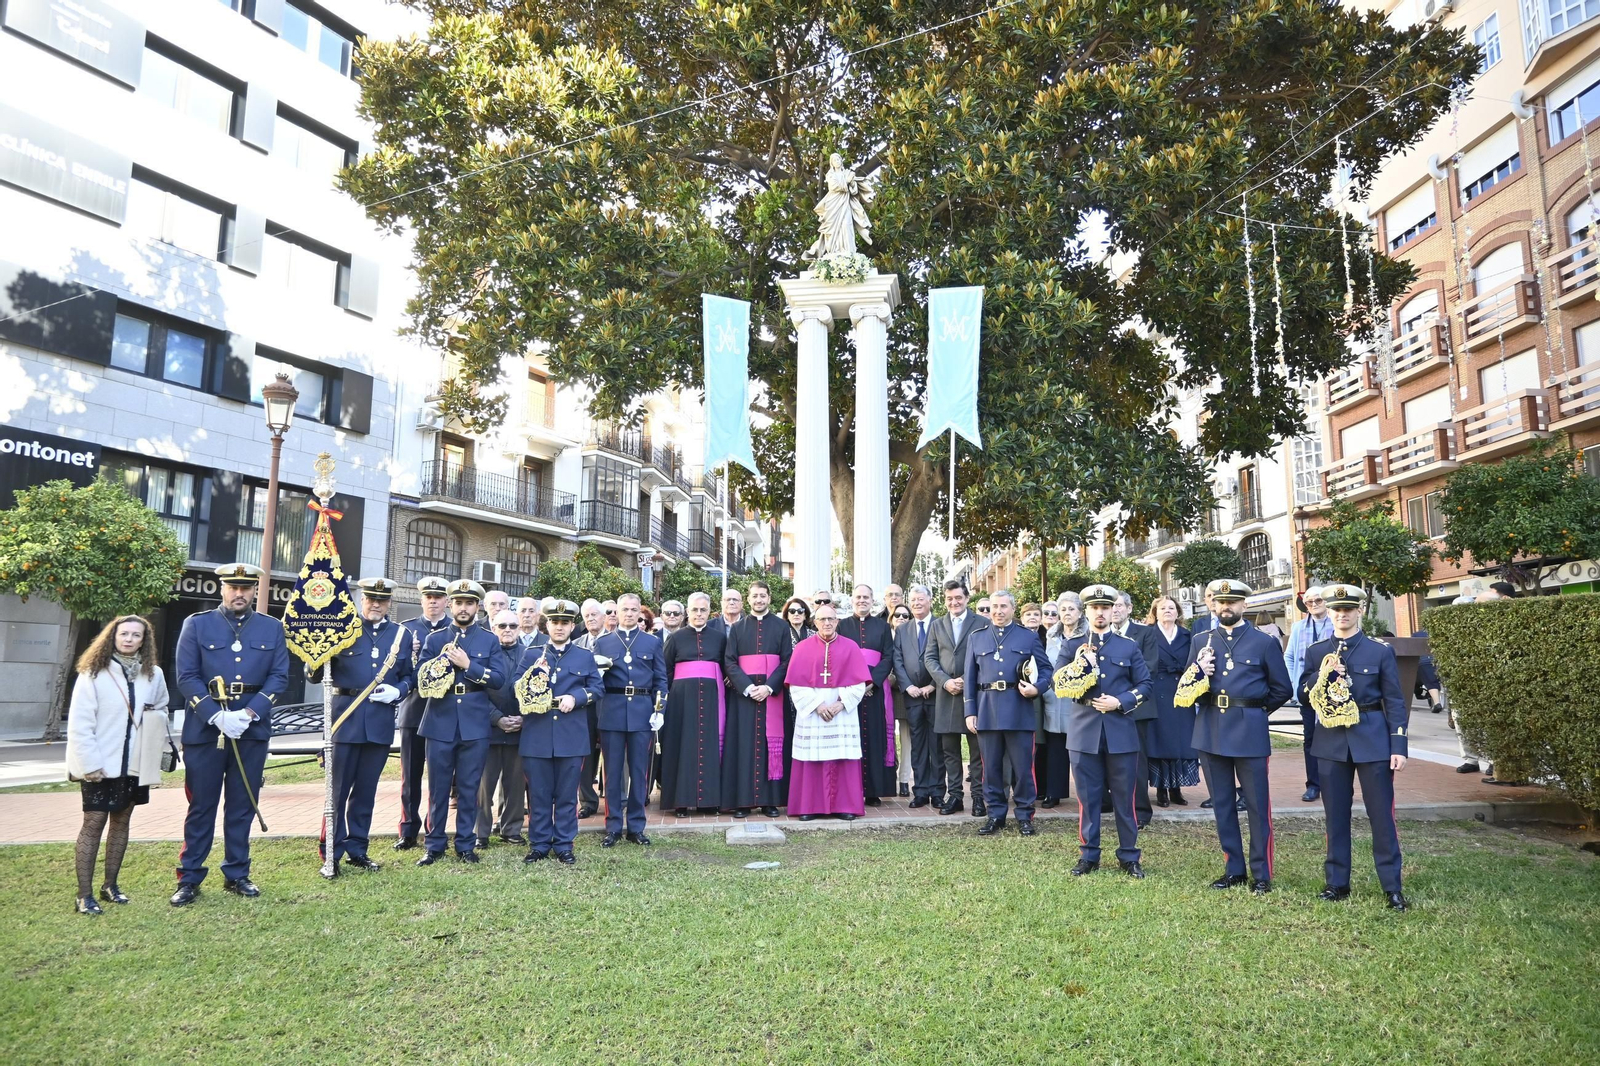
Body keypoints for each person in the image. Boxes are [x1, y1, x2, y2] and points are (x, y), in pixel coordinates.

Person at [171, 563, 290, 906]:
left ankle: (237, 873)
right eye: (233, 587)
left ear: (254, 590)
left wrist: (250, 713)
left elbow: (279, 677)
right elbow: (186, 676)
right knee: (201, 806)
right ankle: (189, 877)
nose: (240, 594)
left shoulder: (271, 628)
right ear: (221, 588)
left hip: (251, 730)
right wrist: (216, 715)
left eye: (246, 588)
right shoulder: (196, 624)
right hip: (207, 731)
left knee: (241, 806)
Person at [1299, 584, 1411, 911]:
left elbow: (1394, 700)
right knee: (1335, 817)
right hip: (1331, 742)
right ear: (1329, 612)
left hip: (1372, 739)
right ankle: (1337, 883)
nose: (1342, 614)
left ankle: (1392, 887)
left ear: (1360, 610)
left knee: (1381, 817)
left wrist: (1398, 744)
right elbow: (1304, 694)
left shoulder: (1379, 651)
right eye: (1336, 609)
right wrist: (1322, 677)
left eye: (1348, 609)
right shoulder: (1318, 651)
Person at [1186, 578, 1292, 895]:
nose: (1226, 607)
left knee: (1258, 806)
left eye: (1232, 602)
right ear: (1213, 605)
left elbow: (1281, 689)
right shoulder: (1201, 641)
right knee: (1222, 804)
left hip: (1249, 730)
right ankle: (1234, 869)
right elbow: (1188, 689)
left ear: (1244, 605)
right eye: (1220, 602)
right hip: (1210, 729)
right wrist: (1198, 674)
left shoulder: (1263, 642)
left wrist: (1254, 712)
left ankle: (1262, 874)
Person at [66, 615, 168, 914]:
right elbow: (80, 723)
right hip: (100, 764)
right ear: (112, 636)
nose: (129, 639)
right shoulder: (93, 673)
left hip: (134, 765)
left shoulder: (153, 674)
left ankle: (110, 885)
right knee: (93, 823)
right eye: (123, 633)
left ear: (143, 640)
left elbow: (161, 705)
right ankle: (84, 895)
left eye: (136, 635)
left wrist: (152, 723)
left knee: (122, 821)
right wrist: (89, 764)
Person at [312, 577, 414, 873]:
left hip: (379, 724)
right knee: (337, 791)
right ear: (361, 600)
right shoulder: (341, 631)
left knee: (366, 792)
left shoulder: (400, 635)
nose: (376, 605)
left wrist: (399, 691)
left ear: (390, 604)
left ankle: (358, 848)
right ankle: (330, 851)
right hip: (344, 721)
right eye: (371, 599)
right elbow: (314, 674)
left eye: (382, 601)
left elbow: (409, 675)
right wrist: (317, 654)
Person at [1059, 584, 1153, 875]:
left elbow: (1146, 685)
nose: (1100, 613)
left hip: (1120, 732)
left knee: (1125, 800)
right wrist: (1078, 668)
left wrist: (1120, 701)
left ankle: (1129, 856)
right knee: (1088, 799)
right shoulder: (1072, 646)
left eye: (1105, 608)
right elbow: (1056, 683)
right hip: (1084, 731)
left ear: (1114, 611)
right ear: (1087, 612)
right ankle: (1089, 855)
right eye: (1094, 608)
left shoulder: (1129, 647)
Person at [414, 579, 506, 865]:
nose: (463, 608)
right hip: (440, 720)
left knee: (469, 787)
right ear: (450, 605)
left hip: (475, 722)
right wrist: (442, 665)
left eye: (469, 603)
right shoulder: (435, 639)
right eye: (458, 602)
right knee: (439, 788)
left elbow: (500, 679)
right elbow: (420, 681)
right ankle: (434, 844)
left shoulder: (489, 640)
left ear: (478, 607)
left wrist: (469, 666)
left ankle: (466, 844)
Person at [509, 598, 602, 863]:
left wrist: (576, 697)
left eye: (564, 623)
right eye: (554, 622)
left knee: (566, 794)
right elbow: (514, 688)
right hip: (537, 733)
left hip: (571, 735)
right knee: (538, 793)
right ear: (546, 624)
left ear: (573, 626)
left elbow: (597, 689)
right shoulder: (531, 655)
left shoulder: (584, 656)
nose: (559, 627)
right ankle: (539, 844)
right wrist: (533, 678)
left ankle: (563, 844)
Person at [963, 591, 1052, 836]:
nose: (998, 611)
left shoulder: (1027, 636)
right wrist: (970, 711)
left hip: (1019, 709)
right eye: (994, 607)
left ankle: (1025, 815)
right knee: (990, 768)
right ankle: (995, 815)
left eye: (1004, 606)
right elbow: (970, 678)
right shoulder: (977, 638)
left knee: (1023, 768)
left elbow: (1046, 671)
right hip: (987, 710)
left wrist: (1036, 688)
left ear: (1013, 609)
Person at [784, 604, 872, 821]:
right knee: (811, 757)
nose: (827, 623)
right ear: (814, 622)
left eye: (831, 619)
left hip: (842, 712)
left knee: (843, 757)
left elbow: (860, 682)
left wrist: (841, 704)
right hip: (814, 712)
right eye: (822, 619)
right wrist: (817, 705)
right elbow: (796, 684)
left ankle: (845, 806)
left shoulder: (851, 647)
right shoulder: (803, 648)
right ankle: (809, 807)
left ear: (837, 621)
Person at [596, 592, 667, 844]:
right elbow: (596, 683)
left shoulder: (651, 642)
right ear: (616, 611)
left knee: (639, 773)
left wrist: (659, 710)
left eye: (633, 609)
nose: (628, 613)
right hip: (612, 712)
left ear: (640, 613)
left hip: (641, 711)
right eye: (624, 609)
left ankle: (636, 827)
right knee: (612, 773)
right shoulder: (604, 643)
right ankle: (613, 827)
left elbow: (660, 679)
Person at [723, 580, 790, 817]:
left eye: (763, 595)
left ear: (769, 598)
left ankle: (769, 801)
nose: (759, 600)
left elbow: (786, 661)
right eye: (755, 596)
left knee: (770, 745)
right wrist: (749, 687)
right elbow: (729, 661)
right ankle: (743, 801)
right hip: (745, 697)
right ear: (748, 599)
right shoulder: (738, 628)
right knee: (744, 745)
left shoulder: (782, 627)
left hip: (772, 697)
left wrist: (770, 688)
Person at [394, 576, 451, 850]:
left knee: (439, 778)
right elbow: (397, 670)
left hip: (443, 713)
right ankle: (407, 829)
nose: (433, 601)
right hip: (414, 710)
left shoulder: (455, 630)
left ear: (446, 602)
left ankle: (434, 828)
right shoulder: (406, 630)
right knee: (410, 775)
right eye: (429, 597)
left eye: (438, 597)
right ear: (421, 600)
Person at [660, 591, 728, 815]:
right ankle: (680, 801)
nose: (699, 614)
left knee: (709, 747)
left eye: (703, 610)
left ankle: (709, 801)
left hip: (711, 700)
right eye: (695, 610)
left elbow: (727, 666)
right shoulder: (676, 638)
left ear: (710, 612)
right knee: (683, 746)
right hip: (682, 702)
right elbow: (666, 669)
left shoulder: (719, 637)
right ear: (687, 612)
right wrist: (673, 694)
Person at [925, 579, 987, 816]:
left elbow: (985, 656)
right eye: (949, 598)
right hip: (946, 694)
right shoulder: (937, 625)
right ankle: (956, 796)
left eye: (958, 598)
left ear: (967, 598)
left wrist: (965, 679)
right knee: (950, 750)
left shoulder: (982, 623)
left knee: (976, 751)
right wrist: (945, 681)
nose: (954, 602)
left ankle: (979, 797)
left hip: (974, 694)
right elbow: (930, 658)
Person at [837, 583, 897, 806]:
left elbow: (888, 657)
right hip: (849, 691)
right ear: (852, 600)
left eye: (866, 597)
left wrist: (871, 683)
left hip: (874, 691)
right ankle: (850, 787)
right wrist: (854, 686)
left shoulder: (882, 627)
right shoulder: (842, 626)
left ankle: (873, 790)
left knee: (874, 736)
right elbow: (838, 656)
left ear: (873, 601)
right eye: (858, 597)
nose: (862, 600)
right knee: (851, 737)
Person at [478, 609, 531, 848]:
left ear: (519, 628)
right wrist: (496, 718)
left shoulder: (530, 655)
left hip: (520, 730)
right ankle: (480, 832)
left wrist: (523, 717)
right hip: (488, 730)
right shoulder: (482, 655)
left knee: (515, 784)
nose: (507, 630)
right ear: (492, 628)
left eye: (512, 626)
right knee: (483, 786)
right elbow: (475, 694)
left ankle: (511, 829)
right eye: (502, 626)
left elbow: (537, 690)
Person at [1143, 594, 1197, 807]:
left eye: (1171, 608)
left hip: (1182, 693)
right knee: (1160, 740)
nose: (1167, 611)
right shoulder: (1148, 634)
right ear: (1155, 613)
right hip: (1157, 692)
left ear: (1178, 612)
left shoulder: (1187, 635)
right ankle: (1161, 790)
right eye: (1163, 608)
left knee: (1181, 741)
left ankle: (1177, 789)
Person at [893, 586, 940, 808]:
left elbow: (946, 658)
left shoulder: (941, 625)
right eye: (913, 600)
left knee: (937, 745)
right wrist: (907, 686)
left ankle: (938, 792)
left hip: (936, 695)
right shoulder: (903, 630)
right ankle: (920, 792)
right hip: (912, 697)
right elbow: (898, 660)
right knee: (917, 746)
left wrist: (933, 684)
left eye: (921, 599)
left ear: (930, 600)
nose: (917, 603)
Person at [1284, 586, 1331, 803]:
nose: (1313, 604)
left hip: (1333, 694)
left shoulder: (1336, 624)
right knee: (1310, 738)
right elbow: (1290, 657)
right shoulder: (1298, 627)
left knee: (1335, 738)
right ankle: (1313, 785)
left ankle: (1334, 784)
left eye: (1318, 600)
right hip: (1307, 693)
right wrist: (1295, 686)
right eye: (1309, 602)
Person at [1036, 594, 1082, 808]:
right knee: (1055, 746)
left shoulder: (1088, 635)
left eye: (1071, 609)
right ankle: (1054, 792)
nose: (1066, 614)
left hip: (1080, 699)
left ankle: (1092, 794)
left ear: (1080, 612)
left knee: (1082, 748)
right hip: (1054, 698)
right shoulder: (1051, 636)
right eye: (1062, 610)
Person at [573, 599, 606, 818]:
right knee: (584, 755)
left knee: (611, 755)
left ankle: (614, 799)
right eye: (587, 616)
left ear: (604, 617)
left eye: (595, 614)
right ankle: (587, 801)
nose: (591, 619)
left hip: (608, 706)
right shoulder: (576, 644)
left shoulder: (615, 641)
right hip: (584, 708)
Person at [888, 600, 914, 797]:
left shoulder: (912, 637)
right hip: (885, 692)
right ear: (891, 618)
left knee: (906, 739)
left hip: (905, 693)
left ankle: (904, 779)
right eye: (898, 615)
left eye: (906, 615)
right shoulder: (884, 635)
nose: (902, 618)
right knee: (887, 738)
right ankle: (889, 776)